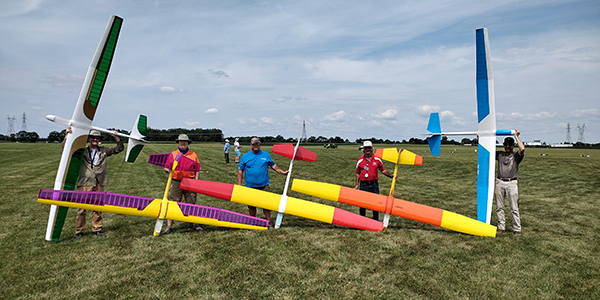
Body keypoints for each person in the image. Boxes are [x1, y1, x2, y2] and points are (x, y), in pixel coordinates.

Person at [66, 128, 124, 238]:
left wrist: (115, 137)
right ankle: (79, 230)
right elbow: (67, 148)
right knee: (81, 208)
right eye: (93, 137)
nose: (95, 140)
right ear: (89, 138)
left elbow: (119, 148)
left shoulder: (103, 150)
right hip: (85, 182)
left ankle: (97, 228)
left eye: (97, 138)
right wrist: (67, 135)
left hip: (99, 182)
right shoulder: (82, 150)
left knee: (98, 207)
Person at [237, 137, 289, 222]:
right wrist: (239, 185)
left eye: (257, 144)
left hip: (264, 185)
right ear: (251, 145)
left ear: (260, 145)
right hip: (250, 186)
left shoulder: (265, 155)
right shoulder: (245, 156)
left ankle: (268, 221)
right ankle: (253, 221)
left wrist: (282, 172)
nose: (256, 146)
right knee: (251, 206)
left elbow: (273, 166)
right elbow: (240, 171)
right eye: (254, 144)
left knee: (266, 205)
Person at [162, 134, 200, 234]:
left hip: (190, 182)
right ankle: (169, 226)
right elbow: (166, 167)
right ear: (178, 142)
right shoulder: (173, 154)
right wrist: (168, 170)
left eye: (185, 141)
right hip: (176, 182)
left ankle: (195, 224)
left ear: (188, 143)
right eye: (181, 141)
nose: (183, 143)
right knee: (172, 203)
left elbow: (197, 169)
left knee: (191, 202)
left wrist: (196, 181)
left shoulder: (193, 154)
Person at [495, 130, 525, 236]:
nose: (507, 146)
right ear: (503, 145)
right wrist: (482, 138)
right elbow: (487, 150)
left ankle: (517, 228)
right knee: (499, 207)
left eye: (510, 145)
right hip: (499, 182)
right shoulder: (499, 154)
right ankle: (501, 227)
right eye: (506, 144)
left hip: (511, 183)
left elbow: (522, 148)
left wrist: (516, 136)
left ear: (513, 146)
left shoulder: (516, 156)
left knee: (514, 207)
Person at [354, 141, 393, 220]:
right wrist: (357, 185)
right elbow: (357, 173)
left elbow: (383, 170)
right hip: (363, 185)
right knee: (362, 203)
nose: (367, 149)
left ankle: (375, 219)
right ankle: (362, 219)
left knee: (376, 203)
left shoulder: (377, 159)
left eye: (369, 148)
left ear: (372, 149)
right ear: (363, 149)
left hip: (374, 185)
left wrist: (391, 176)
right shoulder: (360, 160)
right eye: (366, 148)